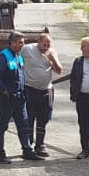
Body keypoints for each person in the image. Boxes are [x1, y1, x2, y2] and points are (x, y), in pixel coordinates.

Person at [0, 31, 43, 163]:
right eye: (20, 42)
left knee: (24, 125)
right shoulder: (3, 56)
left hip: (20, 98)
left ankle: (27, 151)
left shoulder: (18, 56)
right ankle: (0, 153)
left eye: (23, 42)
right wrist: (4, 90)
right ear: (12, 43)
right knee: (2, 126)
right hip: (8, 98)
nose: (22, 44)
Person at [22, 27, 63, 156]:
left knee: (43, 118)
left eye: (48, 44)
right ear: (38, 42)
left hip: (46, 90)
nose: (46, 47)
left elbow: (59, 70)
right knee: (29, 118)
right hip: (30, 89)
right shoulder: (27, 49)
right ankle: (27, 147)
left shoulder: (51, 52)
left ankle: (40, 145)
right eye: (44, 44)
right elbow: (17, 61)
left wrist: (52, 59)